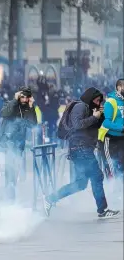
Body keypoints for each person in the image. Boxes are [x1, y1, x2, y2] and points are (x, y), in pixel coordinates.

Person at [44, 87, 120, 219]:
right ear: (90, 97)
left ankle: (50, 199)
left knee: (80, 184)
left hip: (82, 148)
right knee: (97, 176)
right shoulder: (80, 106)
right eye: (96, 100)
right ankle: (102, 210)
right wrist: (94, 117)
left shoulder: (88, 108)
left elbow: (92, 128)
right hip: (80, 147)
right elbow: (77, 125)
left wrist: (99, 116)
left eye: (99, 102)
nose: (97, 103)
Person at [0, 86, 37, 202]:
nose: (24, 99)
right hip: (7, 142)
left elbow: (33, 123)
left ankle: (10, 195)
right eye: (22, 97)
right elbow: (4, 114)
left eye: (27, 97)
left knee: (15, 170)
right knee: (8, 169)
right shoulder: (10, 103)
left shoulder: (27, 108)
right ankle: (8, 196)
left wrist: (31, 107)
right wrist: (15, 100)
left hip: (19, 144)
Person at [98, 79, 124, 179]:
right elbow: (106, 122)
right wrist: (121, 128)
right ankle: (112, 190)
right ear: (119, 88)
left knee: (121, 168)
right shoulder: (110, 101)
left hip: (122, 139)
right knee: (112, 168)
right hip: (109, 140)